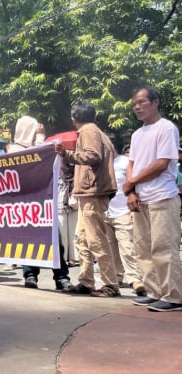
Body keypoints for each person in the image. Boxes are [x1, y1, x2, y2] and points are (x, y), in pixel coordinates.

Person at [124, 86, 182, 311]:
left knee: (164, 247)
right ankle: (154, 290)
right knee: (144, 248)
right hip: (141, 198)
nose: (137, 107)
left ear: (155, 101)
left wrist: (131, 182)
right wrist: (130, 191)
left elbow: (162, 163)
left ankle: (173, 295)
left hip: (162, 197)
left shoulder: (166, 128)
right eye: (134, 104)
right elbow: (131, 163)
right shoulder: (138, 134)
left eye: (141, 102)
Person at [55, 99, 119, 297]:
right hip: (90, 192)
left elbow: (93, 156)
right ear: (95, 115)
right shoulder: (98, 132)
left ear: (74, 118)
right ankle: (86, 281)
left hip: (92, 192)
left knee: (96, 239)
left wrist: (68, 155)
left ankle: (110, 285)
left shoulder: (88, 131)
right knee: (82, 240)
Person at [5, 116, 74, 290]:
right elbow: (31, 161)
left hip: (43, 202)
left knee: (55, 239)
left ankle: (61, 277)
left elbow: (45, 162)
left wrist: (41, 141)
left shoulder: (40, 148)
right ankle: (30, 275)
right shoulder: (14, 149)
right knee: (29, 240)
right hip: (25, 204)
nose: (37, 131)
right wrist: (40, 140)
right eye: (33, 128)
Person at [105, 138, 145, 296]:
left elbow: (134, 184)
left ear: (113, 147)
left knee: (127, 247)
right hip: (106, 212)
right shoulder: (101, 165)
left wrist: (133, 210)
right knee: (110, 248)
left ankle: (135, 279)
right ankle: (116, 277)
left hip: (123, 211)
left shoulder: (125, 162)